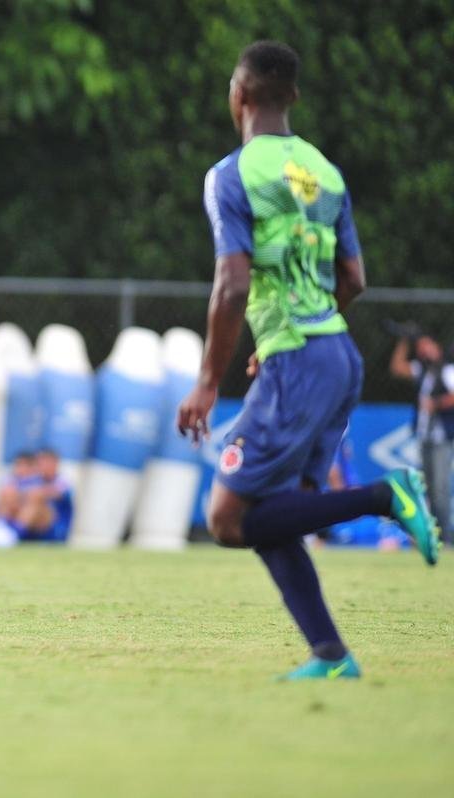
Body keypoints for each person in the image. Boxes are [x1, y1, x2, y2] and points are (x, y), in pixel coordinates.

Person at [176, 41, 439, 681]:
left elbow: (232, 286)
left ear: (238, 96)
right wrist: (298, 335)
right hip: (336, 356)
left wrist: (208, 383)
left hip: (298, 362)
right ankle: (330, 655)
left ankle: (385, 494)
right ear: (292, 96)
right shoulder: (326, 173)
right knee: (273, 516)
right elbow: (354, 279)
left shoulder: (232, 175)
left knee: (226, 518)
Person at [389, 332, 454, 537]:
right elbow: (397, 368)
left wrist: (437, 403)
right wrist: (403, 341)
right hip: (424, 437)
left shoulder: (447, 370)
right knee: (427, 488)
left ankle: (445, 535)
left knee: (440, 488)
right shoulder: (423, 371)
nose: (424, 351)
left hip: (441, 438)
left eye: (428, 346)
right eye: (420, 348)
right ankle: (431, 532)